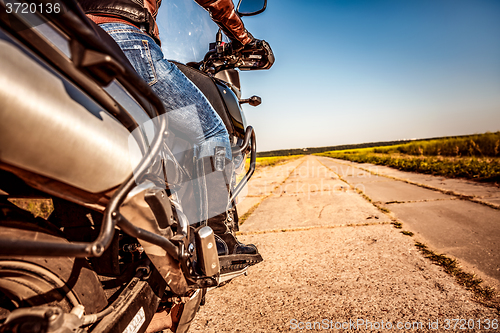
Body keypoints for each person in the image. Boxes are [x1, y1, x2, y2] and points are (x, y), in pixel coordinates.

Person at [78, 0, 265, 267]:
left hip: (68, 38)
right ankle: (219, 242)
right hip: (125, 39)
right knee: (211, 133)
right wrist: (243, 38)